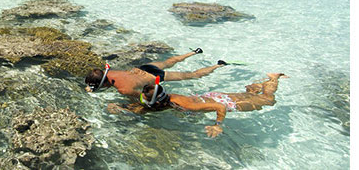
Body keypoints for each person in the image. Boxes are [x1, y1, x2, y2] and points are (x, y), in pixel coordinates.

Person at [108, 72, 286, 137]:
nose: (143, 102)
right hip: (207, 97)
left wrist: (217, 125)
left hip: (222, 102)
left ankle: (273, 77)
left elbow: (220, 108)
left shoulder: (185, 105)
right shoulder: (163, 99)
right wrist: (124, 107)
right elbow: (147, 106)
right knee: (250, 97)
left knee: (269, 101)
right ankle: (253, 88)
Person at [83, 49, 228, 99]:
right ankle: (194, 52)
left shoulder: (123, 90)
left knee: (193, 75)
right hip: (145, 68)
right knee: (171, 61)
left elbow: (142, 96)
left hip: (154, 77)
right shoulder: (111, 73)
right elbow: (108, 82)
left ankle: (219, 64)